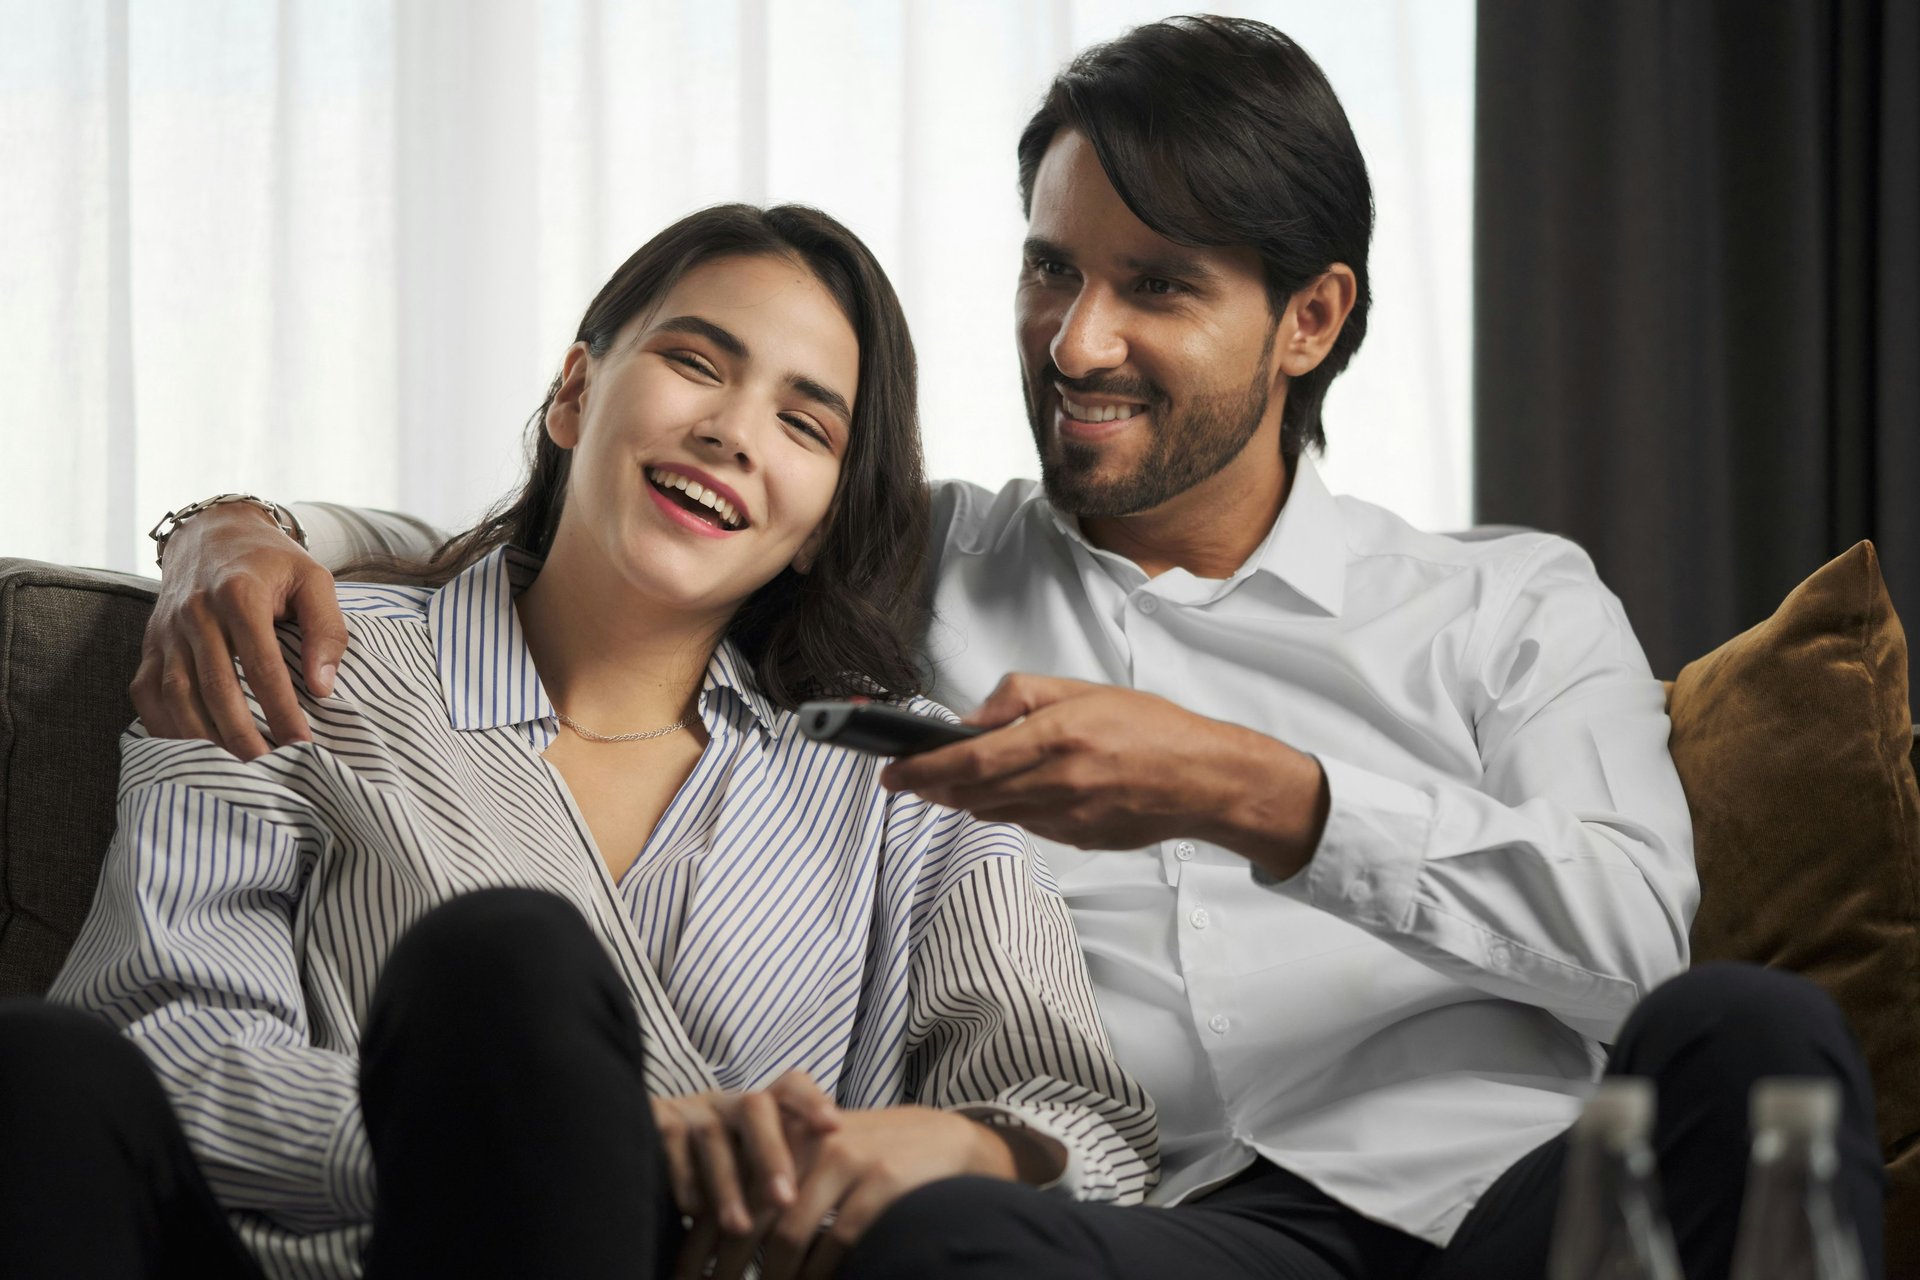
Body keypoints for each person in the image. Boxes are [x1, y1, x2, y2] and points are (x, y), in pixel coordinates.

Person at [117, 15, 1886, 1280]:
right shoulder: (916, 556)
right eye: (1052, 272)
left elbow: (1634, 938)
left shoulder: (1515, 604)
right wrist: (239, 532)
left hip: (1522, 1203)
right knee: (946, 1234)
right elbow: (599, 518)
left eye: (1159, 285)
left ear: (1312, 319)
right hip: (1162, 1238)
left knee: (1758, 1038)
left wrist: (1266, 796)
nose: (1078, 338)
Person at [0, 203, 1156, 1280]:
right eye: (696, 362)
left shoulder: (909, 782)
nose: (730, 432)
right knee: (48, 1068)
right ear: (574, 393)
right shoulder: (295, 659)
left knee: (507, 957)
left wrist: (950, 1146)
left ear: (821, 524)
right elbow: (167, 1047)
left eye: (804, 423)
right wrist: (576, 1137)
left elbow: (1084, 1124)